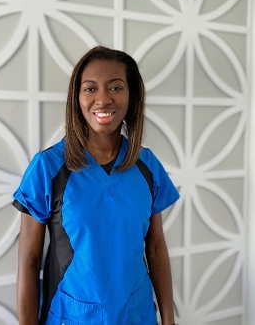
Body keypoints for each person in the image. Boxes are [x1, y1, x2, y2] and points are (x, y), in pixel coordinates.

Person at [13, 46, 179, 325]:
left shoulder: (147, 166)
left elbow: (156, 249)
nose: (103, 99)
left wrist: (169, 320)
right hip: (72, 317)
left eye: (116, 87)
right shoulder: (47, 168)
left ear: (131, 96)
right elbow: (28, 263)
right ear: (77, 98)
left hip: (137, 315)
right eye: (90, 89)